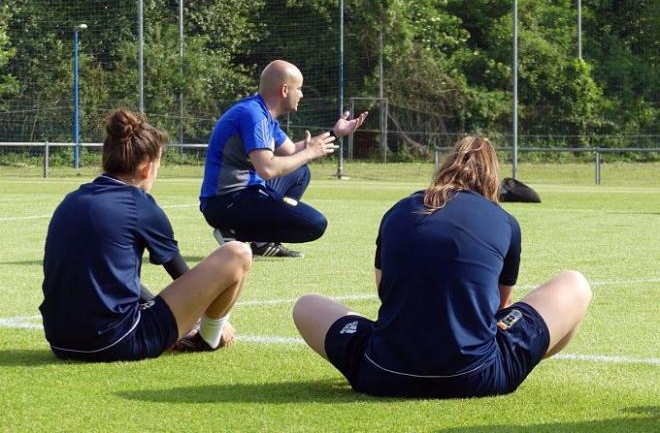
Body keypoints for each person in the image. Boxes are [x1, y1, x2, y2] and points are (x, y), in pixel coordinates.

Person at [293, 136, 592, 398]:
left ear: (445, 167)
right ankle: (511, 364)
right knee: (575, 283)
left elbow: (385, 291)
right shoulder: (504, 221)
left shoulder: (397, 210)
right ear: (492, 179)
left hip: (383, 371)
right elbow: (501, 306)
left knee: (305, 305)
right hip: (477, 375)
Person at [39, 108, 252, 362]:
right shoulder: (139, 202)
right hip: (117, 342)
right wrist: (212, 319)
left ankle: (200, 333)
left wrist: (153, 305)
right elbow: (182, 274)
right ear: (146, 169)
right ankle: (208, 338)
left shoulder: (71, 200)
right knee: (238, 253)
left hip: (60, 343)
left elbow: (101, 274)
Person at [199, 59, 368, 258]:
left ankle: (261, 243)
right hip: (225, 203)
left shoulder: (262, 113)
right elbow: (267, 169)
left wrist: (335, 133)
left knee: (300, 172)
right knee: (315, 224)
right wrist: (308, 153)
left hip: (241, 195)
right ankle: (234, 232)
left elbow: (291, 151)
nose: (302, 94)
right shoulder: (254, 116)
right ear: (285, 90)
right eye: (300, 88)